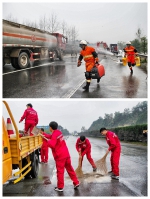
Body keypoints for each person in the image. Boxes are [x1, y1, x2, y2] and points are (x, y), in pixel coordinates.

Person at [47, 121, 80, 192]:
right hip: (66, 154)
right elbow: (52, 137)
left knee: (60, 172)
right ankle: (76, 182)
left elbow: (52, 144)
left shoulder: (54, 134)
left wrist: (47, 141)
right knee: (70, 169)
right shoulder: (58, 132)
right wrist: (43, 135)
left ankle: (60, 187)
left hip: (60, 156)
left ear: (50, 127)